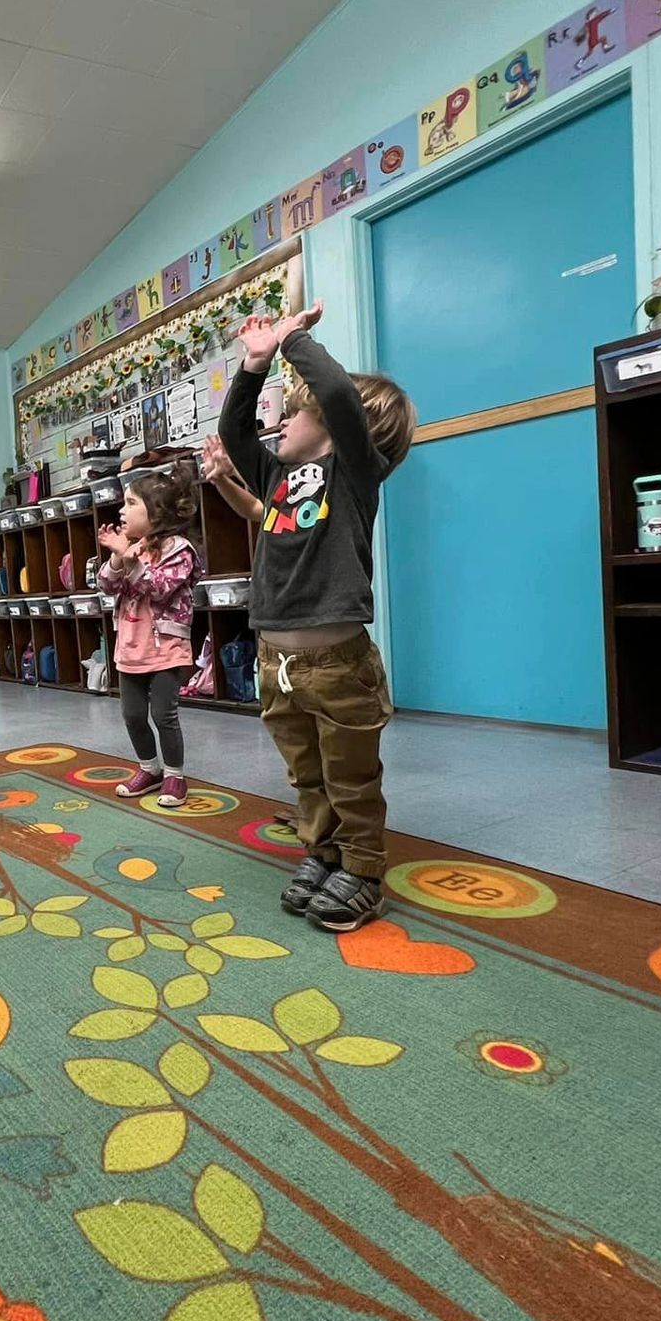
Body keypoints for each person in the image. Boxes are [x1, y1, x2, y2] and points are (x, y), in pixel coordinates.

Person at [218, 302, 416, 934]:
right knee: (306, 773)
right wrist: (253, 365)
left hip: (338, 668)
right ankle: (324, 852)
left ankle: (362, 870)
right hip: (277, 665)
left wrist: (292, 338)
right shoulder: (276, 476)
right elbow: (236, 431)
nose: (280, 424)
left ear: (333, 423)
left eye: (295, 411)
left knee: (350, 775)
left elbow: (332, 389)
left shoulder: (355, 473)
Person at [98, 464, 204, 808]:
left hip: (165, 648)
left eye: (130, 503)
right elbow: (107, 586)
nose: (121, 510)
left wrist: (131, 561)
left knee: (163, 714)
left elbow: (159, 588)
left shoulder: (180, 550)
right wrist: (117, 557)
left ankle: (175, 775)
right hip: (129, 648)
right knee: (131, 714)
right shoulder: (134, 546)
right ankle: (149, 768)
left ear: (155, 513)